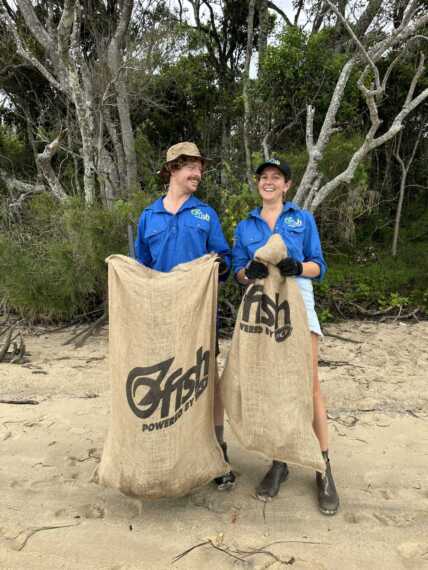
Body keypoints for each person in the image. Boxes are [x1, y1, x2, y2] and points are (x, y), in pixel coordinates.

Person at [232, 157, 339, 515]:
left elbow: (319, 266)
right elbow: (237, 273)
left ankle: (323, 468)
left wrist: (298, 267)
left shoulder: (301, 219)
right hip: (261, 309)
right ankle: (280, 463)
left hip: (297, 301)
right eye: (264, 177)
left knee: (309, 387)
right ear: (258, 184)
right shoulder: (246, 225)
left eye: (276, 177)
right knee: (270, 386)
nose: (269, 182)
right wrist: (250, 271)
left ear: (287, 185)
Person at [135, 141, 236, 490]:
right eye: (191, 167)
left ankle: (217, 452)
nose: (198, 173)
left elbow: (224, 257)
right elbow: (141, 269)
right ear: (173, 169)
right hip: (161, 317)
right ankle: (167, 449)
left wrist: (220, 265)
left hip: (199, 316)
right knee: (165, 382)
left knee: (205, 381)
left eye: (200, 167)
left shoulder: (205, 214)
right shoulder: (149, 216)